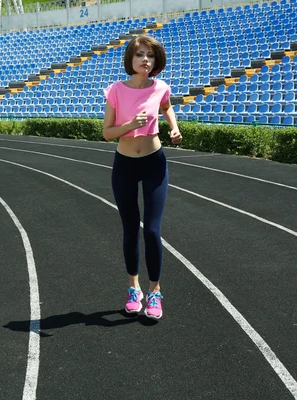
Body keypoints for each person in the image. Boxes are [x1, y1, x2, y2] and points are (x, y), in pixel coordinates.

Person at [102, 35, 182, 320]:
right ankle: (133, 288)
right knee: (130, 229)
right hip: (124, 164)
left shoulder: (160, 87)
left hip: (153, 163)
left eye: (149, 55)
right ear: (130, 60)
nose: (145, 60)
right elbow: (107, 132)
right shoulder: (115, 90)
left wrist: (173, 127)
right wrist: (128, 125)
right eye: (139, 55)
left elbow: (167, 106)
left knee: (151, 230)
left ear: (155, 60)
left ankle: (155, 291)